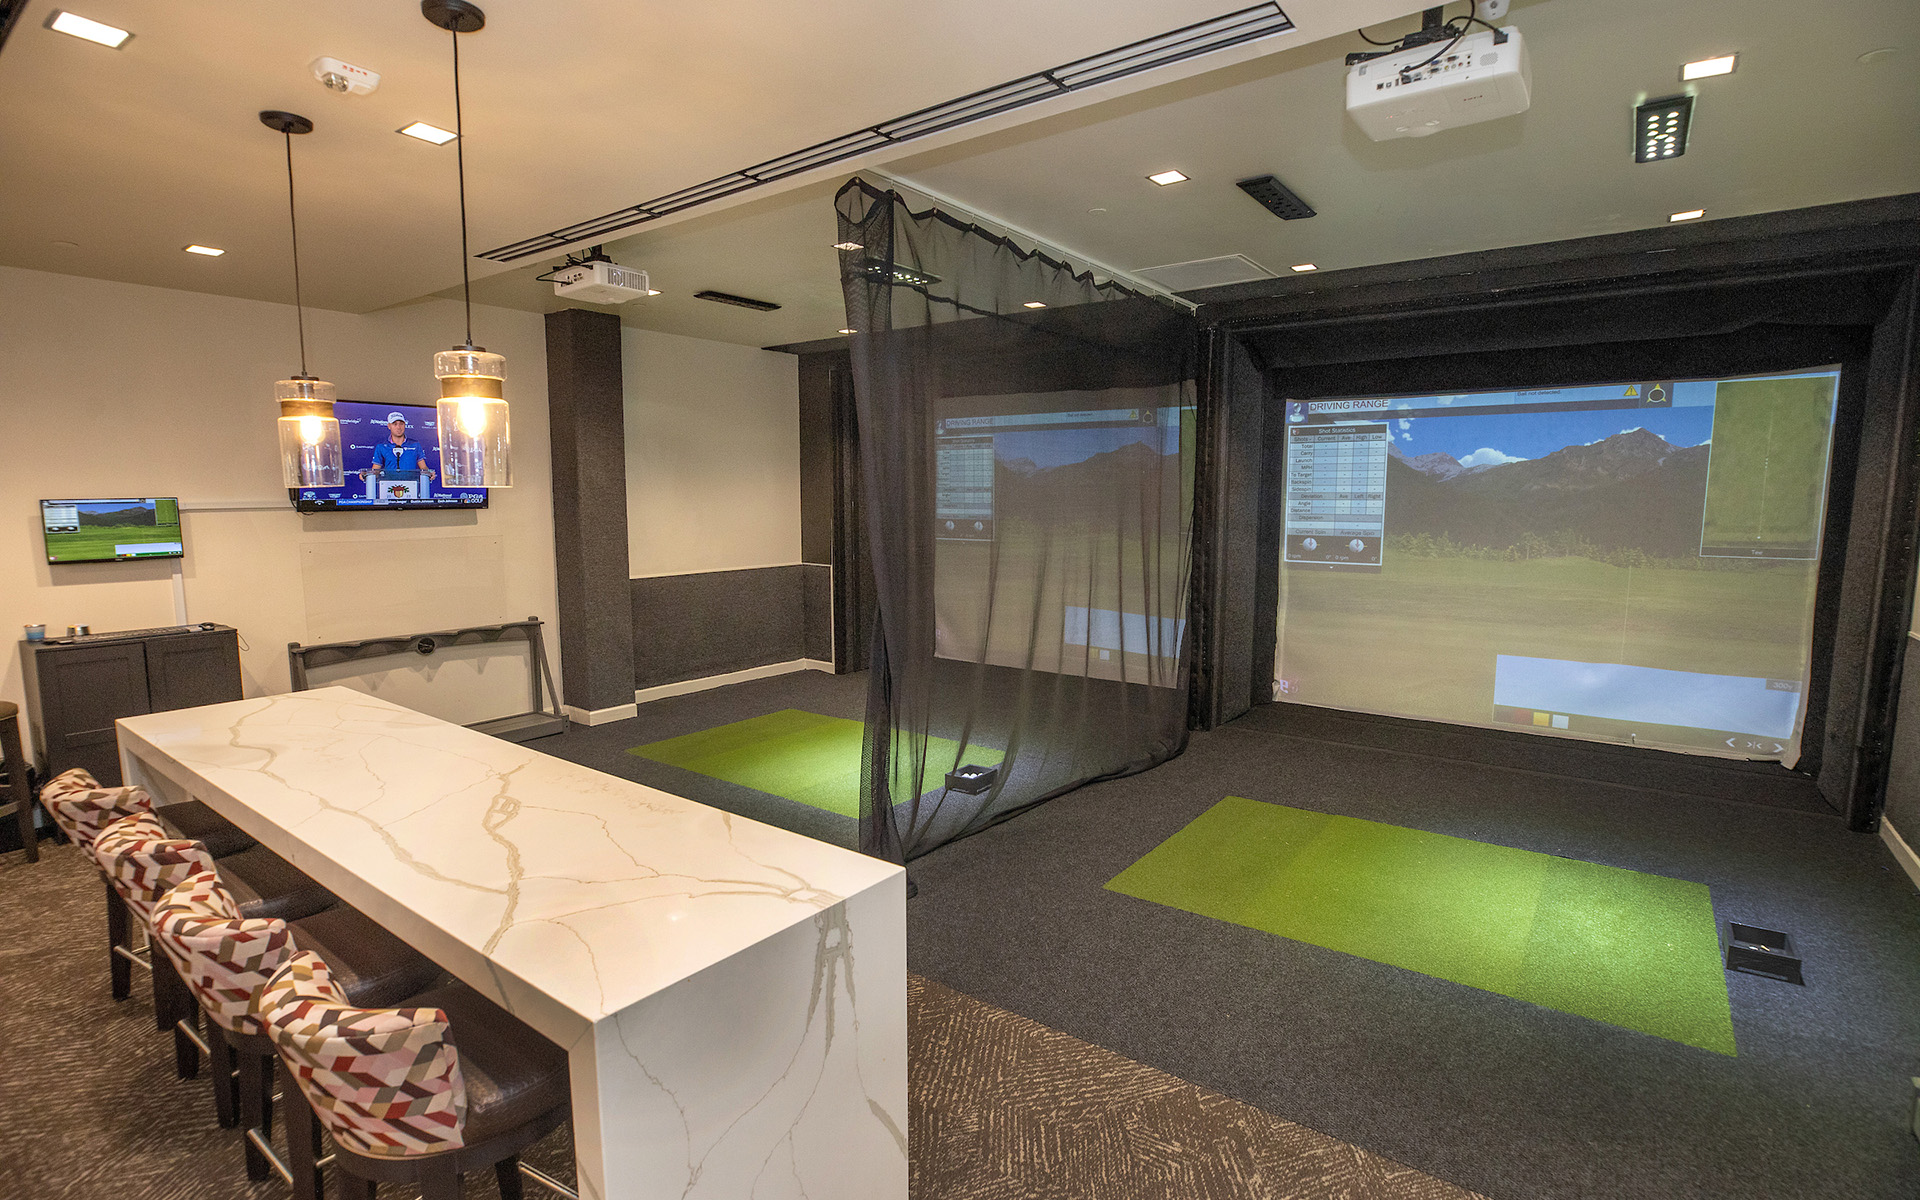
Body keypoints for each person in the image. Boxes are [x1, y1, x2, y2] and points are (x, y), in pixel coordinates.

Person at [360, 412, 436, 485]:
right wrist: (367, 475)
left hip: (411, 487)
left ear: (405, 425)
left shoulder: (415, 445)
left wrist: (429, 473)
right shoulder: (381, 447)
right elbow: (376, 470)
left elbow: (423, 467)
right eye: (395, 424)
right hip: (388, 488)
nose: (398, 427)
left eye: (401, 424)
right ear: (389, 426)